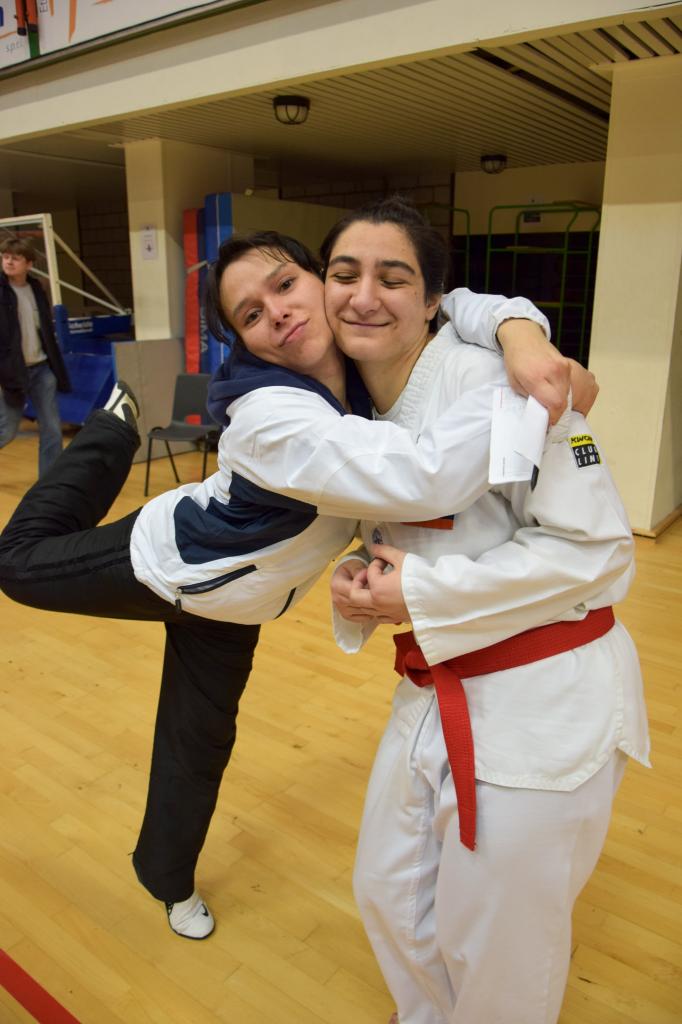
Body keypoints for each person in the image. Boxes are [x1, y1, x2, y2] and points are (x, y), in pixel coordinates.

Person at [0, 227, 583, 943]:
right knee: (18, 564)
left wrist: (522, 333)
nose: (275, 312)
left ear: (318, 283)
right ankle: (113, 429)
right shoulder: (269, 418)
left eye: (283, 285)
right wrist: (535, 401)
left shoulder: (363, 372)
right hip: (165, 565)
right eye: (250, 314)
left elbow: (449, 300)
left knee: (198, 741)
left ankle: (166, 878)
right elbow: (419, 476)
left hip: (237, 606)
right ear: (245, 342)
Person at [318, 197, 650, 1024]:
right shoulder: (344, 409)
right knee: (389, 892)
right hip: (436, 682)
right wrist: (364, 584)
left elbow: (598, 548)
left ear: (433, 300)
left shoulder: (508, 382)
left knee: (501, 942)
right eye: (343, 273)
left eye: (393, 278)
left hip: (545, 693)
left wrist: (420, 593)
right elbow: (426, 534)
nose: (364, 295)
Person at [0, 237, 70, 476]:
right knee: (7, 431)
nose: (9, 262)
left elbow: (45, 330)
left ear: (28, 264)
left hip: (41, 368)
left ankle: (48, 482)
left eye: (15, 258)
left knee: (52, 429)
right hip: (13, 372)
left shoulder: (36, 288)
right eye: (5, 256)